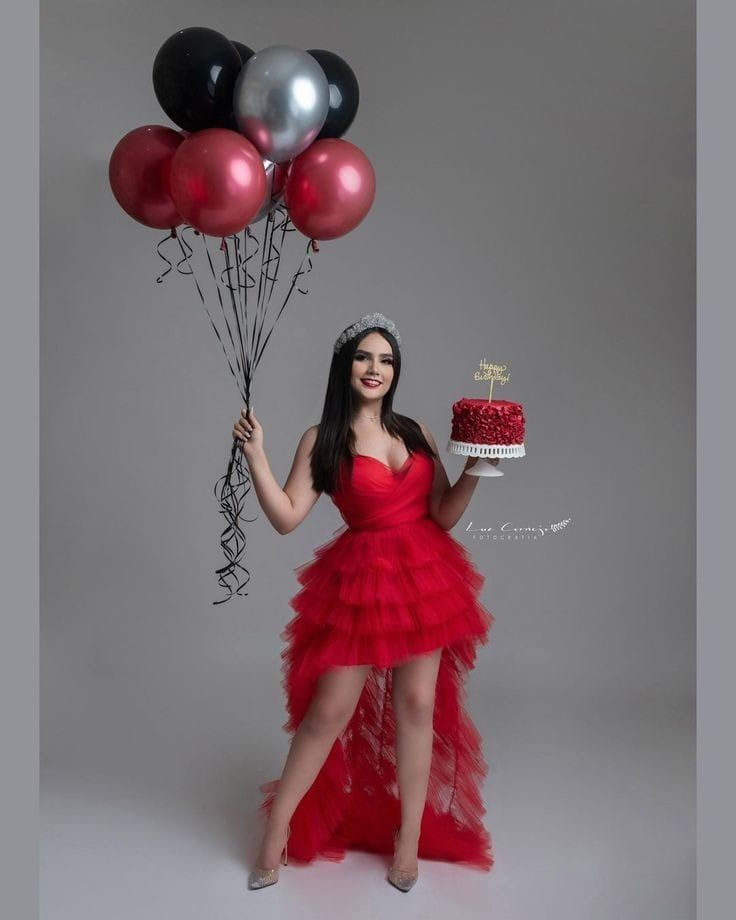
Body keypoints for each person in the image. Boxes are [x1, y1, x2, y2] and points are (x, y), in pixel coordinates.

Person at [232, 312, 498, 892]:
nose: (376, 369)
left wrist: (479, 464)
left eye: (386, 360)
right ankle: (275, 833)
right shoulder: (323, 438)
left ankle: (408, 842)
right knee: (329, 711)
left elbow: (444, 514)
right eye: (364, 357)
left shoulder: (416, 430)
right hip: (363, 578)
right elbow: (287, 518)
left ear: (395, 370)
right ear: (345, 366)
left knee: (418, 706)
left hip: (426, 575)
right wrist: (257, 457)